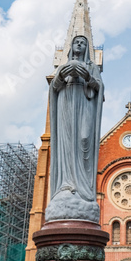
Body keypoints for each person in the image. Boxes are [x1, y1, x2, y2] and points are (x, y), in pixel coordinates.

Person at [46, 35, 104, 222]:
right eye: (76, 42)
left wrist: (88, 76)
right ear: (71, 46)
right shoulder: (63, 67)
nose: (79, 45)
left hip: (84, 105)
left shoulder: (92, 67)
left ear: (87, 48)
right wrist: (62, 75)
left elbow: (100, 90)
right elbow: (53, 88)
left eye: (83, 43)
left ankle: (82, 188)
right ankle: (66, 185)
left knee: (84, 139)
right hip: (66, 105)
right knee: (67, 142)